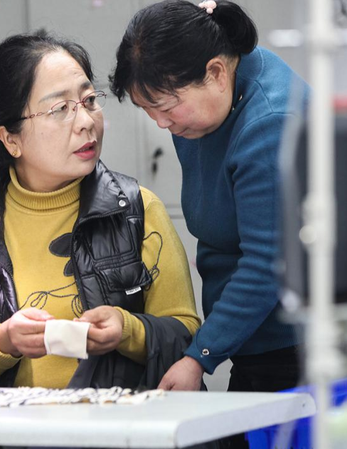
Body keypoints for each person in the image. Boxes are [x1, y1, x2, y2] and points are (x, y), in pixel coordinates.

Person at [0, 30, 201, 390]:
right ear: (11, 139)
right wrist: (3, 341)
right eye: (60, 109)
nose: (86, 121)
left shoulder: (137, 210)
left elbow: (186, 336)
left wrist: (128, 329)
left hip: (118, 421)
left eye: (89, 101)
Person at [110, 0, 309, 396]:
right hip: (253, 337)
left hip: (297, 345)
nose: (161, 123)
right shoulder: (209, 97)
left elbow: (266, 265)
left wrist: (199, 356)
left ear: (216, 73)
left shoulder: (269, 126)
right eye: (147, 109)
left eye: (166, 107)